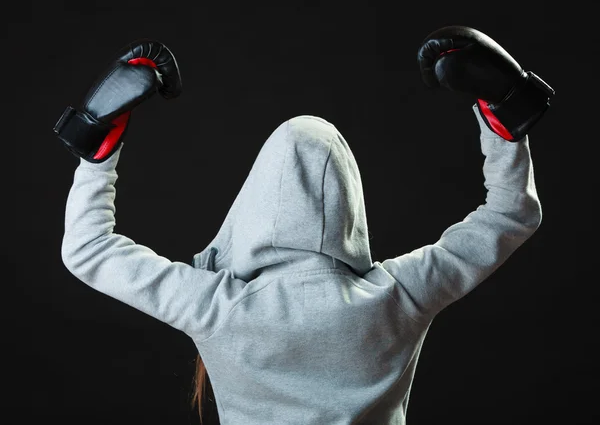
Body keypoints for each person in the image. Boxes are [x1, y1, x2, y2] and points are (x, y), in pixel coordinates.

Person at [54, 26, 554, 424]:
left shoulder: (216, 307)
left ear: (251, 203)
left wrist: (98, 147)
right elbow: (512, 213)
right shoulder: (400, 295)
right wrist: (504, 119)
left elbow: (88, 249)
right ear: (349, 202)